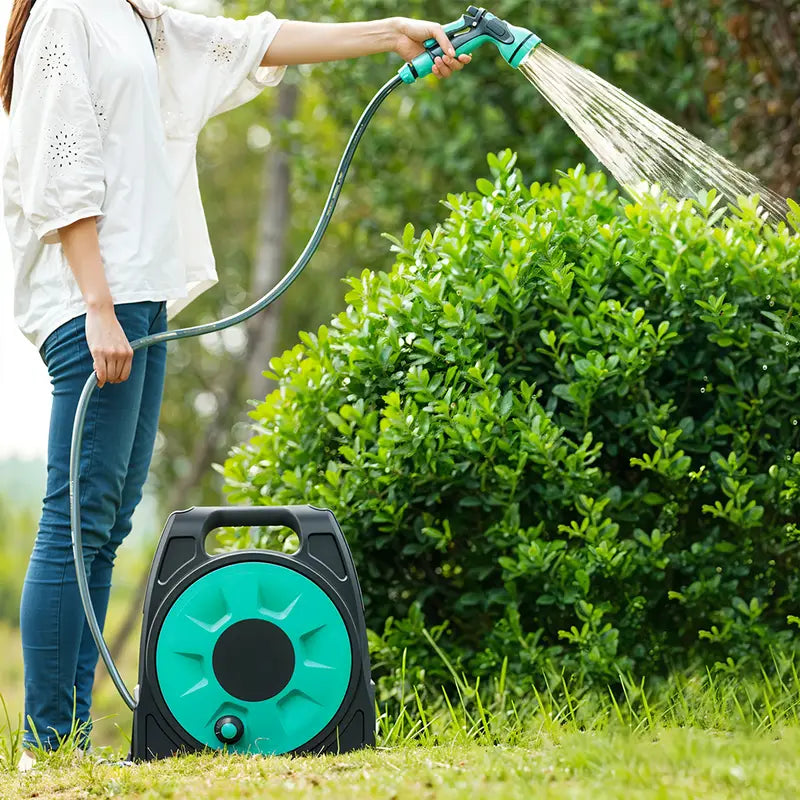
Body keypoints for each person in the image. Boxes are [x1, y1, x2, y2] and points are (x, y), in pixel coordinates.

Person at [0, 0, 471, 769]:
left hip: (137, 298)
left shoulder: (139, 15)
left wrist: (390, 33)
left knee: (107, 522)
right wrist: (95, 304)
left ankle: (67, 742)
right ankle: (48, 747)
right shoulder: (62, 13)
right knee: (76, 520)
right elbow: (61, 159)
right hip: (94, 303)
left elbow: (247, 40)